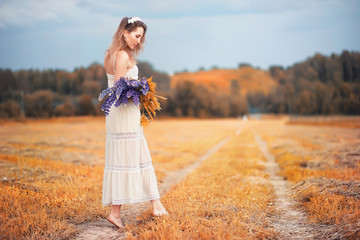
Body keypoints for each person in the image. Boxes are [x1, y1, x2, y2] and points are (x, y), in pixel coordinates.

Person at [102, 16, 168, 228]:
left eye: (141, 38)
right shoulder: (122, 56)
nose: (138, 41)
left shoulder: (109, 54)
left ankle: (119, 212)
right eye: (136, 36)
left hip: (116, 114)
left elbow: (114, 85)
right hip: (124, 113)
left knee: (124, 159)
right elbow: (119, 90)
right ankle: (155, 205)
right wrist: (140, 91)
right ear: (125, 33)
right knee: (136, 156)